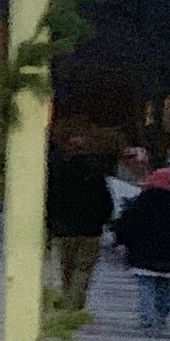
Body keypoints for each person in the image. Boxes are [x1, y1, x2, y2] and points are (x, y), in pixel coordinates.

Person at [113, 167, 170, 334]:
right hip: (169, 254)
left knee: (145, 286)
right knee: (164, 286)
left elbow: (126, 224)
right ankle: (161, 316)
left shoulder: (140, 201)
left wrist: (121, 242)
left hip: (143, 252)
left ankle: (147, 318)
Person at [46, 133, 114, 310]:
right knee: (83, 269)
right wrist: (103, 221)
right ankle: (75, 303)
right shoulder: (95, 171)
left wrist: (50, 222)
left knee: (65, 269)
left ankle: (67, 299)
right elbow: (106, 201)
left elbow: (50, 198)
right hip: (90, 230)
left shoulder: (58, 170)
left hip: (63, 229)